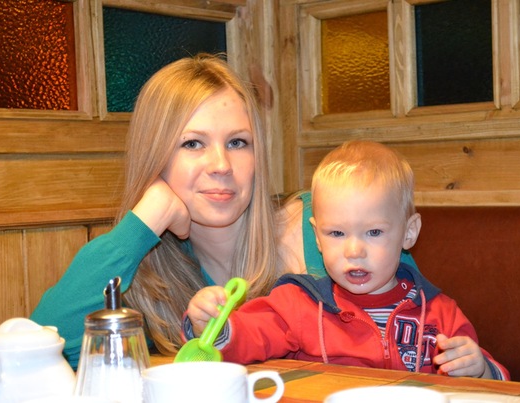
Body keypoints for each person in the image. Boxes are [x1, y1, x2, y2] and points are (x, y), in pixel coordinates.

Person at [30, 53, 421, 370]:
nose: (221, 165)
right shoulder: (146, 273)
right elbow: (45, 352)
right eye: (192, 144)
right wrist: (144, 221)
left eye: (237, 142)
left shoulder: (330, 229)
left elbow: (420, 332)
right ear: (156, 158)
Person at [185, 140, 510, 380]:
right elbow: (246, 338)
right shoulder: (298, 304)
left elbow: (493, 384)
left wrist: (480, 369)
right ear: (317, 237)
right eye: (337, 233)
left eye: (374, 232)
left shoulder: (440, 313)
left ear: (409, 233)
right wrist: (214, 325)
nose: (354, 251)